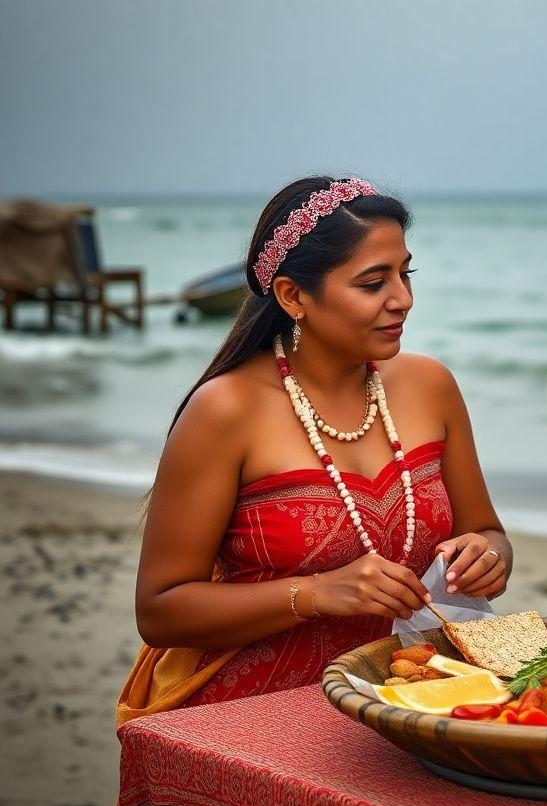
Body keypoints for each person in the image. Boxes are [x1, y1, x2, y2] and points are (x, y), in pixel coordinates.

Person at [117, 176, 511, 723]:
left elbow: (487, 532)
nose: (404, 298)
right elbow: (160, 611)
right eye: (373, 283)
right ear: (293, 296)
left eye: (406, 273)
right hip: (257, 712)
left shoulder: (430, 386)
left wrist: (487, 557)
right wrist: (316, 593)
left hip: (409, 700)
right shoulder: (226, 410)